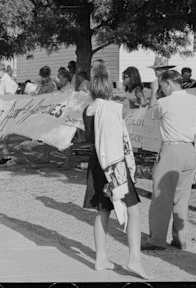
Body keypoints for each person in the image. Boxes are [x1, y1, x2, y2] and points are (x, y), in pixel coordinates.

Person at [82, 59, 148, 279]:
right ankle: (134, 259)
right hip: (114, 163)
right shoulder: (113, 108)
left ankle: (101, 258)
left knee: (103, 210)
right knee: (133, 209)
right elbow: (120, 139)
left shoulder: (88, 110)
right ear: (109, 88)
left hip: (96, 163)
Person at [141, 70, 196, 251]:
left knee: (162, 196)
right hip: (190, 149)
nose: (162, 90)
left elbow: (149, 115)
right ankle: (180, 238)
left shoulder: (164, 102)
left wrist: (153, 92)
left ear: (167, 83)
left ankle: (157, 239)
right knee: (181, 197)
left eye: (162, 86)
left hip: (171, 149)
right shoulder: (193, 99)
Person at [0, 63, 18, 163]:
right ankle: (5, 152)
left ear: (1, 71)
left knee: (5, 132)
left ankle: (6, 153)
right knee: (3, 132)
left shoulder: (6, 80)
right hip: (3, 108)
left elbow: (9, 94)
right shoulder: (3, 80)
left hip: (7, 108)